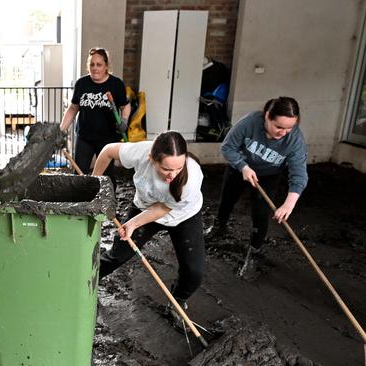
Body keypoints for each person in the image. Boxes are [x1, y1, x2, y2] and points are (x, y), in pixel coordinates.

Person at [95, 131, 205, 330]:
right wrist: (93, 183)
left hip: (183, 216)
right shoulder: (140, 152)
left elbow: (163, 209)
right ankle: (88, 282)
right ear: (151, 158)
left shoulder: (192, 179)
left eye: (179, 168)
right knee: (118, 255)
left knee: (194, 272)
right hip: (145, 207)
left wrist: (133, 224)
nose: (173, 175)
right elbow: (107, 151)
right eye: (166, 169)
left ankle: (177, 301)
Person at [206, 96, 307, 276]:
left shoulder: (295, 141)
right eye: (279, 127)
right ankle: (218, 227)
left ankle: (254, 252)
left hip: (268, 176)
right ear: (268, 116)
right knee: (227, 201)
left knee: (261, 214)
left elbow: (299, 174)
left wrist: (288, 204)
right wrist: (243, 166)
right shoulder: (250, 123)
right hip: (240, 168)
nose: (283, 132)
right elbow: (227, 147)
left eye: (289, 128)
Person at [60, 47, 131, 185]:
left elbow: (125, 105)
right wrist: (61, 131)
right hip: (84, 137)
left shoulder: (116, 84)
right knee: (79, 172)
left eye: (99, 64)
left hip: (108, 139)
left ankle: (107, 203)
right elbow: (73, 108)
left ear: (106, 66)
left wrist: (124, 120)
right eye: (92, 64)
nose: (95, 68)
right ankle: (78, 202)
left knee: (106, 175)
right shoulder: (82, 84)